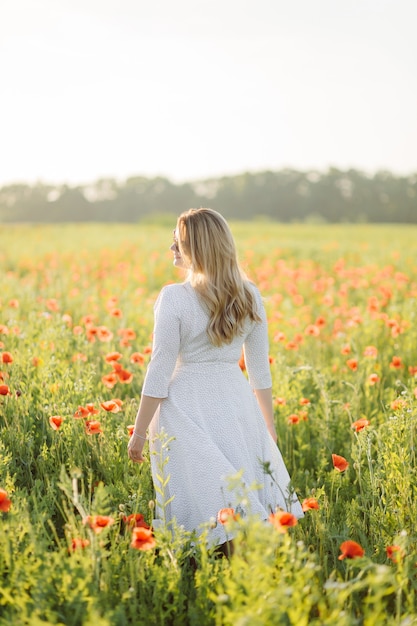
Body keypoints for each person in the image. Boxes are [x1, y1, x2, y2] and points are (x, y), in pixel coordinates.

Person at [128, 208, 303, 547]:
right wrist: (267, 426)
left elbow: (160, 368)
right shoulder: (250, 294)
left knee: (202, 498)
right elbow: (259, 370)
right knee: (236, 499)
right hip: (236, 405)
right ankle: (244, 575)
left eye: (177, 243)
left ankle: (205, 575)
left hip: (184, 407)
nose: (172, 250)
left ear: (198, 248)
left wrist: (138, 433)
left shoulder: (174, 297)